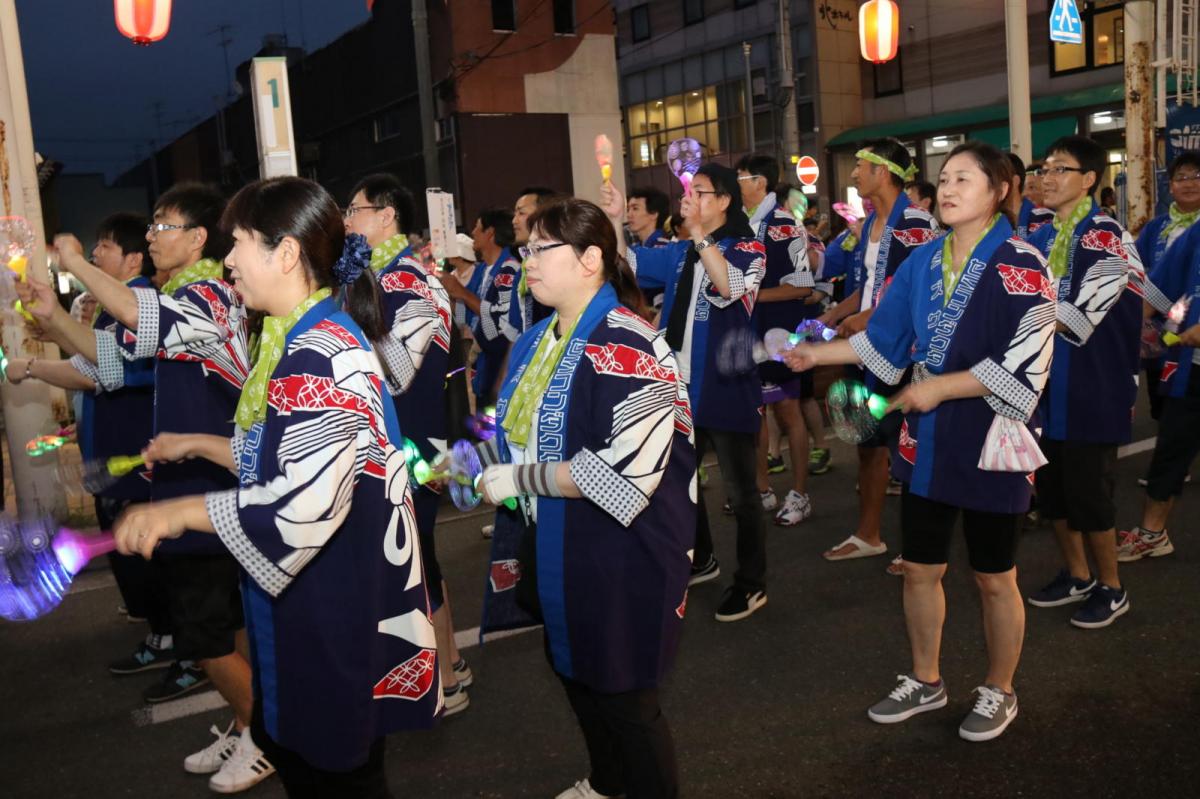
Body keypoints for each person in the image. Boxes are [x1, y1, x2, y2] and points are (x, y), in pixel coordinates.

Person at [115, 176, 440, 799]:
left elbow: (301, 506)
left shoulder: (317, 351)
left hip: (329, 603)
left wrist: (183, 511)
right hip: (326, 595)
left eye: (238, 242)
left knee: (335, 773)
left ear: (286, 253)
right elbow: (282, 455)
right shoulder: (309, 336)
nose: (229, 258)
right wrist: (199, 445)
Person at [785, 141, 1055, 742]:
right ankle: (926, 679)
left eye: (966, 178)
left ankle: (1000, 689)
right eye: (946, 178)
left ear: (1001, 190)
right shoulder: (922, 262)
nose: (950, 188)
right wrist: (815, 352)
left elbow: (1029, 363)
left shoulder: (1023, 262)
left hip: (991, 439)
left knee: (994, 576)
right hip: (927, 441)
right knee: (919, 570)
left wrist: (942, 388)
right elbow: (881, 342)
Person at [21, 183, 269, 792]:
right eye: (152, 224)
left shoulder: (210, 295)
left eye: (165, 224)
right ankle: (251, 725)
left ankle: (263, 736)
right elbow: (108, 365)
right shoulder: (183, 296)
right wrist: (52, 316)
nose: (153, 233)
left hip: (211, 485)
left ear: (198, 239)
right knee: (225, 623)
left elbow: (135, 321)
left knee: (204, 632)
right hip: (194, 483)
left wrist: (72, 262)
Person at [476, 197, 693, 799]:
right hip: (559, 541)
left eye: (541, 249)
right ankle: (608, 781)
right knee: (575, 671)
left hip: (623, 547)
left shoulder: (628, 342)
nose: (528, 263)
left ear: (592, 258)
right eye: (526, 250)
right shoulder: (536, 340)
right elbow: (507, 430)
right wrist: (456, 461)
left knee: (625, 694)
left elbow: (627, 476)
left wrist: (521, 480)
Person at [604, 164, 770, 622]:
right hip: (679, 387)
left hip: (727, 385)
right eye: (688, 191)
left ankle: (751, 583)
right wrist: (618, 220)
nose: (689, 197)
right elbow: (629, 264)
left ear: (723, 202)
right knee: (678, 479)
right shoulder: (681, 251)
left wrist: (698, 234)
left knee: (742, 493)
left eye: (700, 191)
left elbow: (728, 285)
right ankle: (703, 559)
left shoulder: (748, 247)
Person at [7, 213, 168, 670]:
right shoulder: (120, 304)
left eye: (104, 246)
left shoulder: (139, 300)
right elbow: (97, 359)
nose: (95, 253)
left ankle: (168, 635)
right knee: (127, 543)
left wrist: (32, 367)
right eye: (92, 247)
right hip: (116, 444)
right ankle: (157, 621)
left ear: (133, 257)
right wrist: (53, 323)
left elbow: (100, 370)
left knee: (138, 545)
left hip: (134, 450)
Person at [344, 173, 472, 715]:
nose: (347, 221)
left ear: (387, 216)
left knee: (418, 559)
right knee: (416, 557)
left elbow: (396, 372)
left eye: (355, 210)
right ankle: (451, 660)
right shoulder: (380, 277)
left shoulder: (409, 282)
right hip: (397, 444)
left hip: (416, 447)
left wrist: (353, 304)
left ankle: (446, 674)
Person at [1024, 135, 1143, 629]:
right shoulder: (1043, 236)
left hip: (1094, 383)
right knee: (1054, 492)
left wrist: (1013, 310)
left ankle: (1112, 586)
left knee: (1091, 494)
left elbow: (1078, 318)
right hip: (1049, 387)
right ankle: (1077, 575)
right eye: (1044, 169)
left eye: (1059, 170)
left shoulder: (1107, 236)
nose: (1046, 178)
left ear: (1089, 179)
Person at [817, 139, 940, 569]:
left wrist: (868, 317)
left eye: (861, 167)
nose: (853, 175)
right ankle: (869, 534)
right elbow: (864, 284)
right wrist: (839, 311)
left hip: (899, 354)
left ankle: (918, 548)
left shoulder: (918, 224)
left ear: (883, 172)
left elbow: (921, 293)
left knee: (907, 448)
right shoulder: (869, 224)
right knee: (866, 443)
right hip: (863, 350)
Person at [1116, 152, 1200, 562]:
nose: (1189, 183)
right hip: (1189, 364)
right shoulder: (1187, 234)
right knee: (1171, 446)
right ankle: (1152, 533)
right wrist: (1113, 329)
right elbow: (1155, 290)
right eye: (1182, 176)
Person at [735, 153, 816, 526]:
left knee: (788, 412)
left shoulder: (784, 225)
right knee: (755, 412)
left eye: (741, 178)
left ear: (760, 183)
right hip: (748, 336)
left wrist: (750, 295)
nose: (736, 185)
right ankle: (762, 489)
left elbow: (802, 287)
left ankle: (799, 494)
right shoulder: (740, 224)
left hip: (780, 336)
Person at [1130, 150, 1200, 423]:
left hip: (1195, 322)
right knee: (1164, 398)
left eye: (1197, 176)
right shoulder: (1156, 227)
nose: (1189, 183)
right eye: (1181, 177)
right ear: (1170, 186)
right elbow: (1135, 270)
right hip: (1161, 328)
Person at [441, 208, 519, 407]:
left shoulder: (510, 269)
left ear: (490, 233)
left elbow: (500, 323)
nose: (473, 233)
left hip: (501, 361)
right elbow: (464, 319)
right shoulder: (483, 270)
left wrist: (463, 294)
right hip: (484, 362)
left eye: (477, 227)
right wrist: (451, 297)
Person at [505, 186, 560, 340]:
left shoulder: (557, 268)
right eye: (514, 213)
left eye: (521, 213)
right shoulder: (523, 267)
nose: (514, 220)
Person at [1005, 153, 1053, 240]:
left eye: (1032, 187)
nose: (1025, 193)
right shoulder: (993, 219)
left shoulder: (1046, 218)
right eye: (1024, 188)